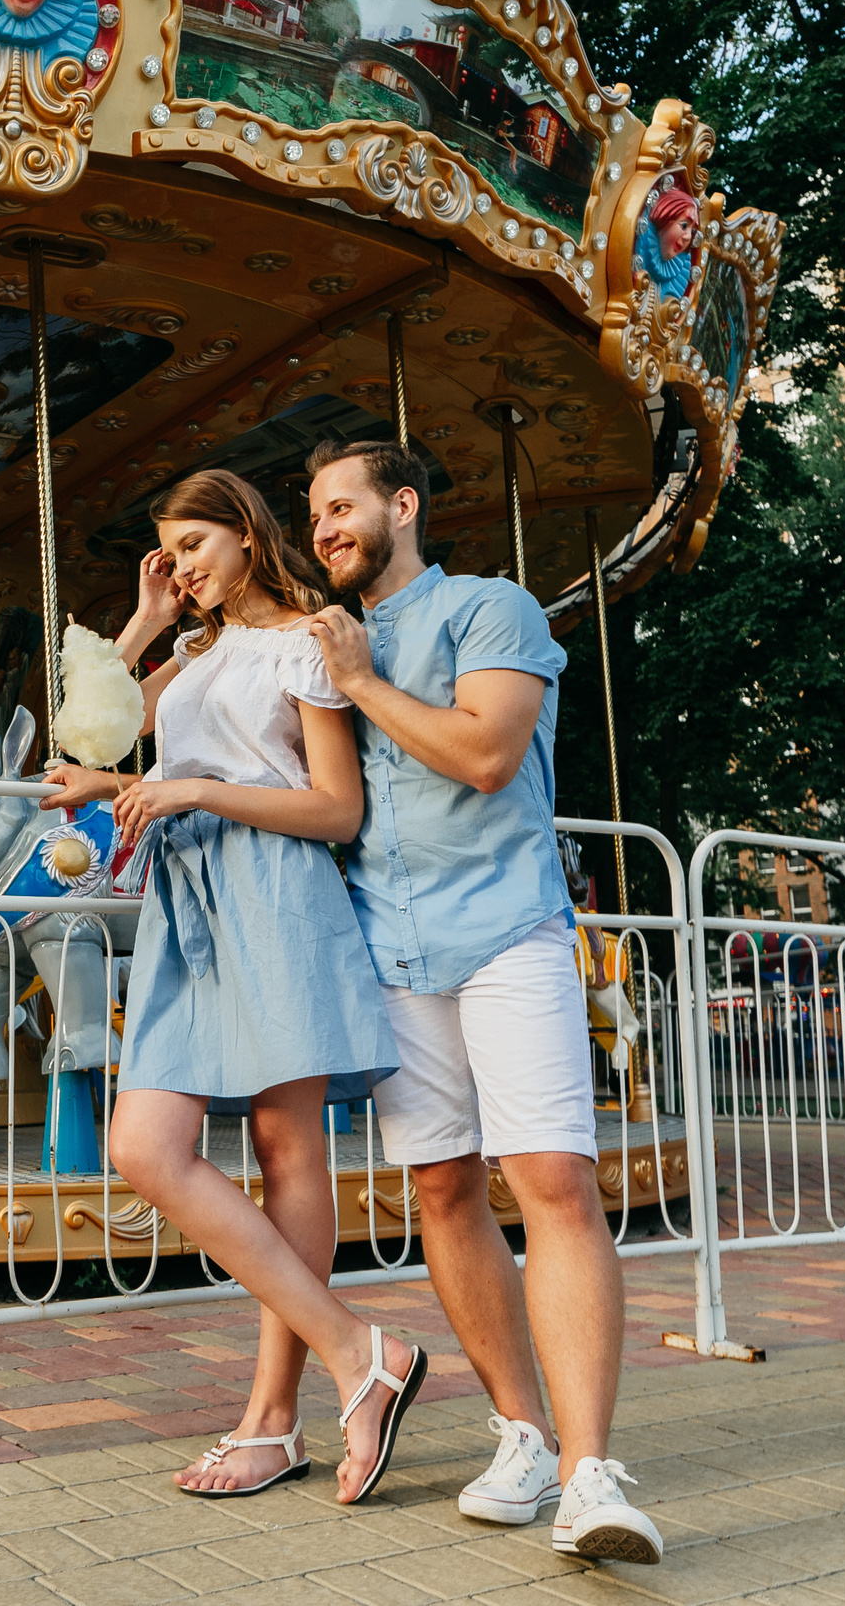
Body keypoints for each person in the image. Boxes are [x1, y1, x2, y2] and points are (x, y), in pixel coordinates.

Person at [298, 437, 663, 1564]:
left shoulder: (489, 607)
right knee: (443, 1187)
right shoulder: (324, 639)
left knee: (550, 1173)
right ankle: (521, 1431)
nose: (325, 530)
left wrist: (360, 682)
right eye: (313, 515)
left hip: (506, 926)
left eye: (343, 506)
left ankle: (591, 1468)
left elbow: (489, 754)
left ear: (402, 505)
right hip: (391, 948)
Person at [40, 468, 419, 1505]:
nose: (185, 561)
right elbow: (91, 739)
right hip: (187, 901)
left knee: (284, 1146)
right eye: (170, 546)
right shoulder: (193, 652)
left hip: (275, 888)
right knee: (144, 1144)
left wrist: (192, 787)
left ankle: (273, 1418)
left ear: (249, 536)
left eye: (197, 542)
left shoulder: (306, 641)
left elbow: (336, 807)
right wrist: (143, 621)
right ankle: (357, 1352)